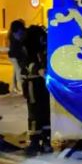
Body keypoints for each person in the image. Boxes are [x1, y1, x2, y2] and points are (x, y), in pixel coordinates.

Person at [23, 25, 52, 156]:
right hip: (34, 86)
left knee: (42, 113)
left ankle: (42, 141)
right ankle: (38, 141)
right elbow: (28, 66)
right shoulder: (30, 51)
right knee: (37, 113)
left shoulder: (42, 49)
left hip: (40, 86)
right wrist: (37, 70)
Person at [7, 19, 27, 94]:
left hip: (12, 55)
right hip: (15, 55)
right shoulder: (17, 34)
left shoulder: (11, 33)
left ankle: (14, 87)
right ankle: (21, 89)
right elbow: (18, 46)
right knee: (18, 72)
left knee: (16, 72)